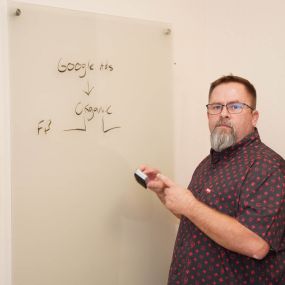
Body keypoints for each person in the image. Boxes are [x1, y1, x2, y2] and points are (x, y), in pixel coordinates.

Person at [140, 75, 285, 285]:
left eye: (235, 106)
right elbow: (202, 217)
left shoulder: (269, 167)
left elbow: (256, 244)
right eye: (216, 106)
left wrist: (189, 205)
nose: (223, 114)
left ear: (254, 117)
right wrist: (166, 194)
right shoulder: (207, 163)